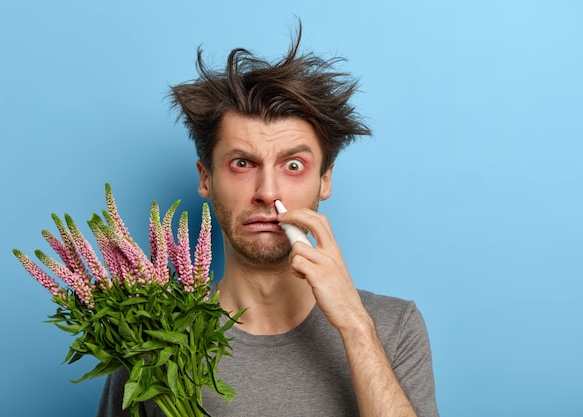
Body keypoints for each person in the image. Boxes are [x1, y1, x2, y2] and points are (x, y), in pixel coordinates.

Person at [97, 25, 439, 417]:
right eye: (242, 163)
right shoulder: (147, 336)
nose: (267, 192)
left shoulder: (394, 328)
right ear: (206, 178)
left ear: (324, 180)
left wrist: (355, 326)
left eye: (293, 165)